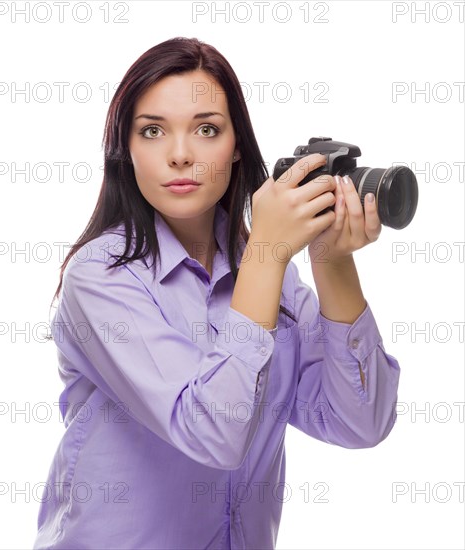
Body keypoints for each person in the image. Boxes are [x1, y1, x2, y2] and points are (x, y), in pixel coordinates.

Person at [33, 37, 401, 549]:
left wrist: (331, 260)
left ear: (236, 150)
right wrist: (269, 255)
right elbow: (211, 431)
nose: (181, 155)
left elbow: (362, 422)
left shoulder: (270, 277)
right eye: (153, 131)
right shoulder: (101, 277)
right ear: (127, 153)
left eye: (206, 129)